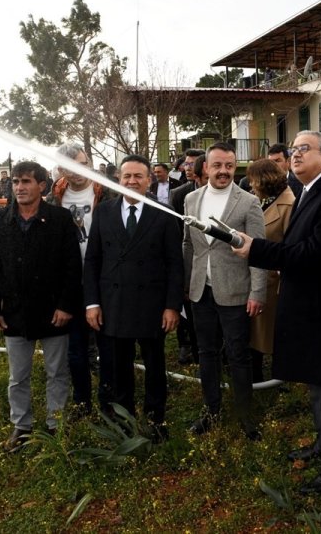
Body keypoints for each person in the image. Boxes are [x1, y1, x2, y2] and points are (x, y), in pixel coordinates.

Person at [232, 131, 321, 494]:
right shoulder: (311, 191)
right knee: (317, 382)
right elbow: (299, 246)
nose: (295, 154)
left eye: (305, 149)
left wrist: (259, 250)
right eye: (293, 149)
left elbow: (316, 254)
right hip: (311, 307)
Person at [0, 161, 82, 451]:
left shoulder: (60, 219)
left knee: (57, 372)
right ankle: (21, 426)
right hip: (15, 312)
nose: (19, 187)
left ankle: (56, 424)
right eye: (15, 182)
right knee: (18, 375)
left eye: (26, 181)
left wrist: (66, 305)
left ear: (42, 185)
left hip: (54, 311)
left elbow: (71, 267)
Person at [84, 155, 183, 440]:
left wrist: (172, 306)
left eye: (139, 176)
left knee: (155, 366)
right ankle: (122, 420)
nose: (132, 181)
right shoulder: (103, 212)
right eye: (127, 176)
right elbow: (92, 260)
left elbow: (175, 264)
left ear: (149, 179)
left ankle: (155, 420)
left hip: (152, 305)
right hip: (113, 303)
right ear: (118, 179)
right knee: (117, 366)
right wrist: (92, 303)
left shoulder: (164, 214)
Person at [183, 142, 266, 440]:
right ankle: (211, 411)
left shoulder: (248, 202)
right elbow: (189, 244)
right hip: (200, 293)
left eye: (229, 166)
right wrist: (187, 282)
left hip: (235, 291)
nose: (223, 171)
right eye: (217, 165)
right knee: (206, 353)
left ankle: (246, 419)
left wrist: (257, 292)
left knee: (238, 355)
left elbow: (258, 251)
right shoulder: (191, 199)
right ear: (206, 167)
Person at [49, 143, 109, 413]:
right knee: (75, 348)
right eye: (71, 167)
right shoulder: (54, 198)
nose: (79, 171)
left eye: (83, 164)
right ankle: (82, 401)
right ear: (61, 170)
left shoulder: (106, 193)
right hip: (70, 281)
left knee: (107, 343)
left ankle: (109, 400)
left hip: (104, 279)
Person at [245, 158, 296, 383]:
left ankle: (280, 377)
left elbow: (289, 247)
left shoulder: (289, 204)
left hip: (274, 282)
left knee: (272, 333)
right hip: (254, 277)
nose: (250, 185)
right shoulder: (258, 201)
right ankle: (254, 374)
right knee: (253, 333)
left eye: (253, 180)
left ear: (264, 179)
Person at [170, 148, 205, 365]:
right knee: (187, 307)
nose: (188, 168)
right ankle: (187, 344)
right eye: (186, 164)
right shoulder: (180, 194)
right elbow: (178, 234)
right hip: (187, 257)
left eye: (193, 164)